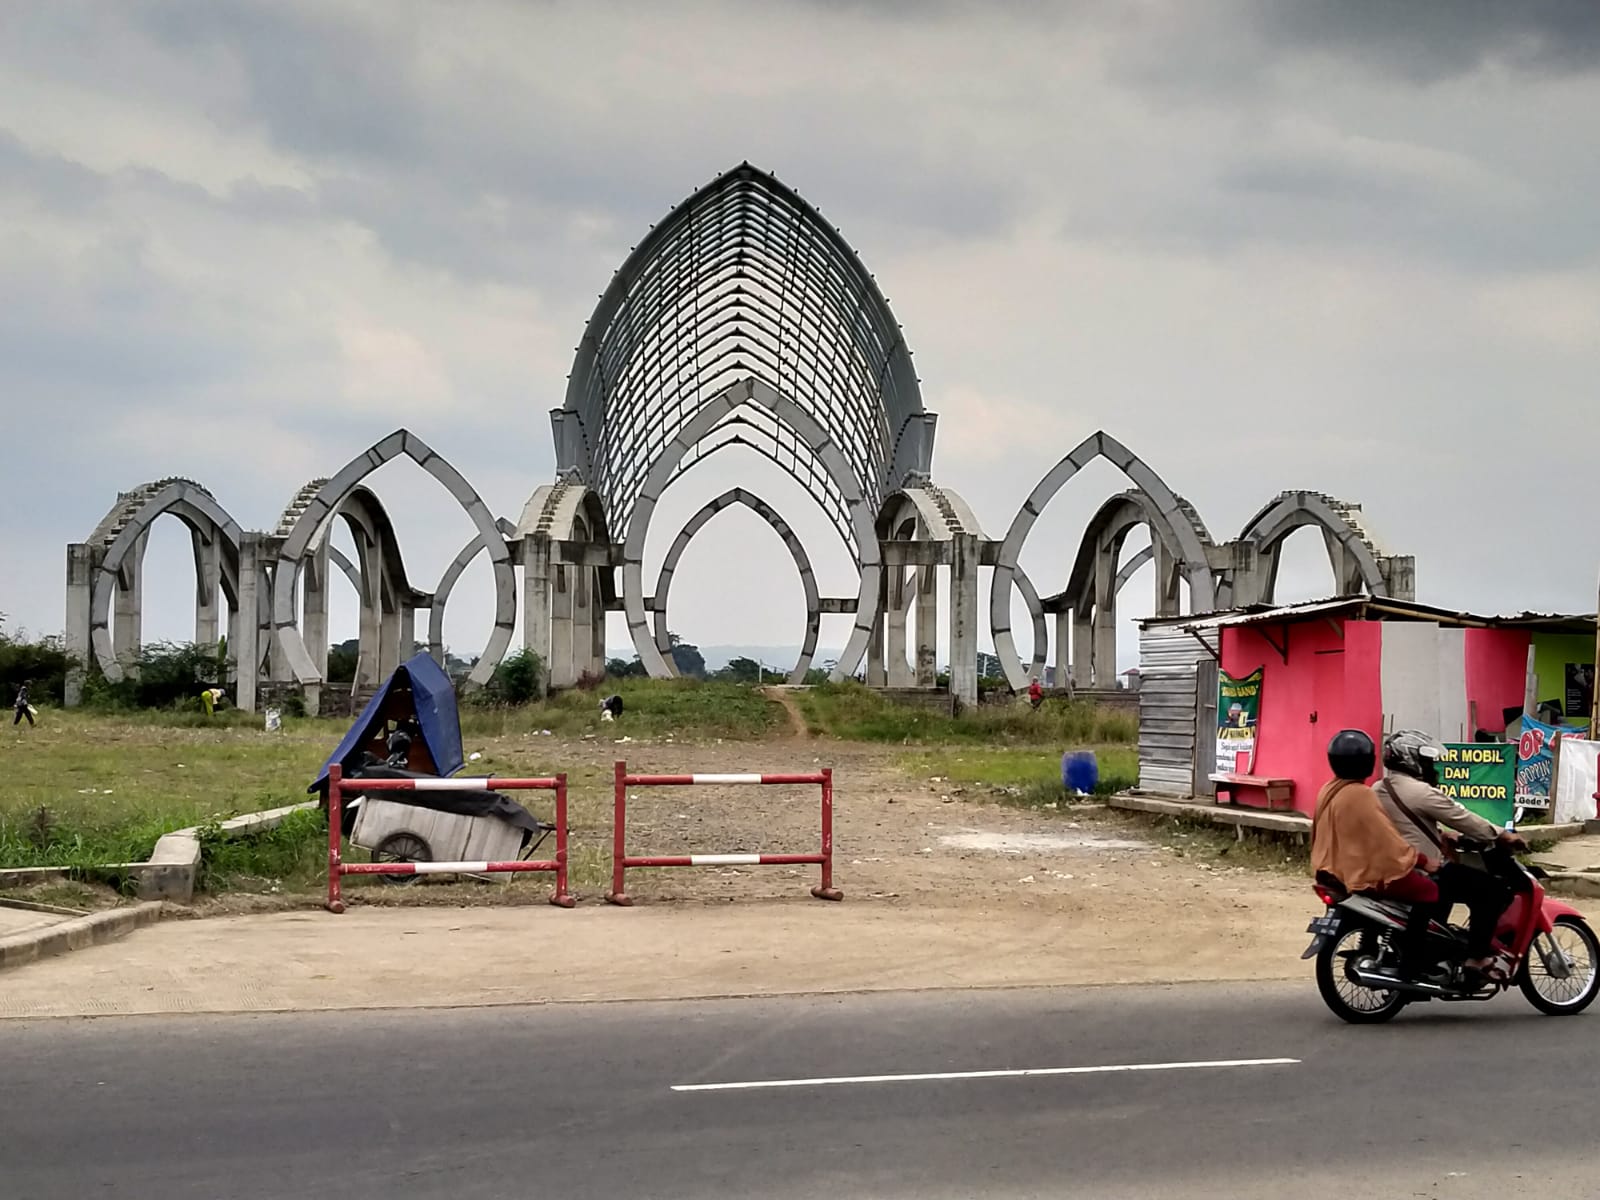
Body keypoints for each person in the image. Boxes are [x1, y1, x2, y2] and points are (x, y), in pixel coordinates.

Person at [1375, 729, 1527, 976]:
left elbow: (1407, 825)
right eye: (1427, 761)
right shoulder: (1420, 792)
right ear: (1412, 760)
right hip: (1421, 870)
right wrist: (1501, 834)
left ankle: (1440, 952)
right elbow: (1462, 818)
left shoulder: (1379, 788)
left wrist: (1442, 835)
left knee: (1457, 884)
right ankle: (1476, 958)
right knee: (1492, 890)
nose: (1431, 766)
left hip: (1393, 867)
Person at [1311, 729, 1440, 979]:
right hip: (1360, 874)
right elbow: (1387, 840)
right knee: (1429, 890)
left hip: (1332, 869)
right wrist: (1424, 860)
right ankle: (1414, 962)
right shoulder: (1362, 794)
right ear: (1368, 761)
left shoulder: (1329, 789)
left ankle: (1376, 941)